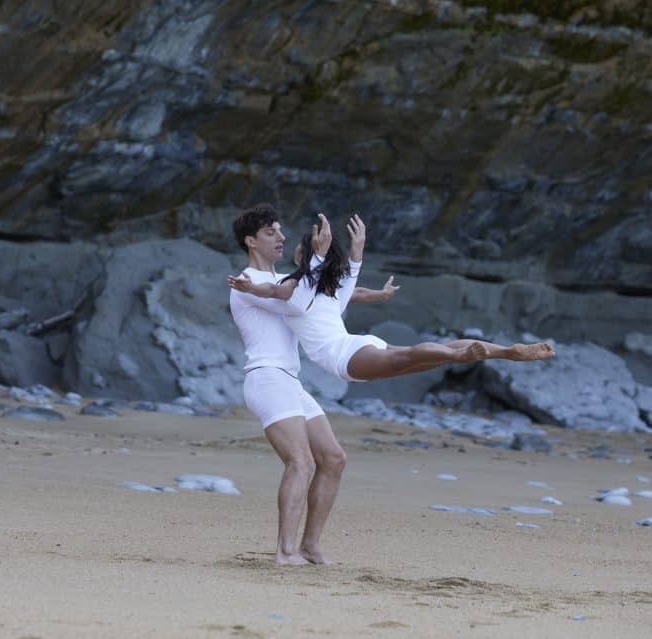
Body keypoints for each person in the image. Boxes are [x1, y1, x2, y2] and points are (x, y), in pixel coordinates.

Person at [228, 204, 394, 566]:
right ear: (250, 241)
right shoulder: (247, 284)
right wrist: (318, 256)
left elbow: (321, 291)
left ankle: (309, 546)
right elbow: (299, 294)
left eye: (281, 231)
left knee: (333, 459)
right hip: (267, 378)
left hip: (290, 382)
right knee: (300, 462)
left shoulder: (285, 281)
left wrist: (360, 268)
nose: (282, 237)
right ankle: (285, 552)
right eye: (271, 232)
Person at [228, 213, 555, 383]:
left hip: (343, 357)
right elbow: (354, 290)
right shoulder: (327, 289)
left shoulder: (297, 286)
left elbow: (276, 290)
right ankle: (505, 353)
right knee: (420, 358)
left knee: (412, 356)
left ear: (306, 255)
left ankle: (463, 356)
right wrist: (362, 262)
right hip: (358, 344)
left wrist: (250, 288)